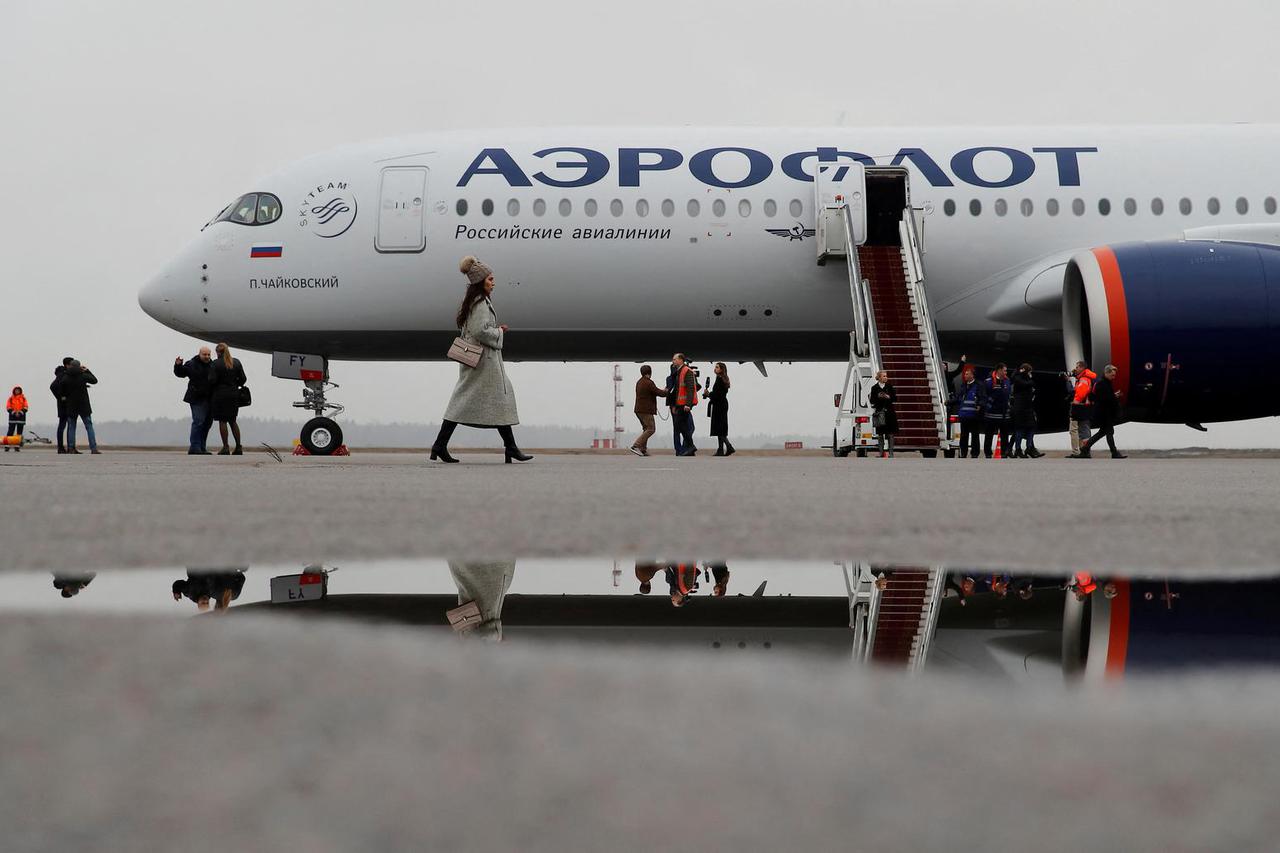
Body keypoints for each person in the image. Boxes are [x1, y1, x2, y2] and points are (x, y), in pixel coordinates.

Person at [431, 256, 532, 464]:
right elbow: (479, 330)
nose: (494, 283)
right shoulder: (480, 303)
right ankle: (510, 448)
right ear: (481, 282)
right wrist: (499, 332)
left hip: (480, 361)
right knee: (490, 399)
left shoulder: (476, 301)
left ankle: (440, 446)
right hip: (483, 361)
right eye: (490, 279)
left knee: (490, 401)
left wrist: (495, 329)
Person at [1074, 364, 1127, 458]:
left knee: (1102, 432)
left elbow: (1100, 397)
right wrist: (1114, 396)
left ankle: (1085, 448)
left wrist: (1113, 396)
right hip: (1104, 413)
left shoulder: (1105, 383)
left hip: (1105, 413)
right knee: (1109, 432)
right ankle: (1114, 453)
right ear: (1106, 373)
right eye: (1112, 375)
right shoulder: (1102, 384)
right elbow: (1103, 399)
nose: (1113, 377)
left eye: (1114, 375)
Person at [174, 347, 216, 455]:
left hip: (210, 399)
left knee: (207, 424)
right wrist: (178, 365)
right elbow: (181, 373)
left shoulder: (213, 365)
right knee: (198, 421)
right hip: (197, 398)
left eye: (208, 355)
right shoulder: (192, 364)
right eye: (204, 354)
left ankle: (202, 447)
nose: (207, 357)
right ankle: (194, 446)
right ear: (199, 354)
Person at [210, 342, 247, 455]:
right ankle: (239, 446)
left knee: (222, 421)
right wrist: (234, 383)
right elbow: (243, 379)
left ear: (218, 352)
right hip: (233, 394)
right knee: (233, 421)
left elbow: (212, 380)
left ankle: (226, 447)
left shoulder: (215, 364)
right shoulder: (236, 362)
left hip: (220, 395)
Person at [58, 360, 99, 455]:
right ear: (79, 366)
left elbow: (61, 389)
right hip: (84, 404)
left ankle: (71, 448)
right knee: (89, 426)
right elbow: (94, 380)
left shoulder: (66, 377)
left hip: (71, 405)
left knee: (72, 427)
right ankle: (93, 448)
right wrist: (87, 370)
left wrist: (64, 398)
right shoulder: (83, 375)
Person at [629, 365, 667, 457]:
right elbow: (659, 392)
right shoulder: (649, 383)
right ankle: (635, 446)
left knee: (646, 429)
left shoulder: (639, 382)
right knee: (651, 429)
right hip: (646, 410)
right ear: (650, 372)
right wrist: (666, 391)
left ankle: (643, 450)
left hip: (638, 410)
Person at [1009, 363, 1043, 458]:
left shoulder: (1025, 379)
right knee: (1020, 429)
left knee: (1032, 426)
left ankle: (1029, 447)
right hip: (1019, 408)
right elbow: (1027, 384)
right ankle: (1018, 449)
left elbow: (1032, 386)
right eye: (1029, 372)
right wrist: (1030, 380)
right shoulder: (1017, 378)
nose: (1030, 374)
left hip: (1028, 407)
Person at [668, 353, 699, 457]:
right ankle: (690, 447)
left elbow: (690, 388)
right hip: (680, 404)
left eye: (674, 359)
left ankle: (690, 446)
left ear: (681, 360)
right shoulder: (679, 371)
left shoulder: (687, 371)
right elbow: (678, 390)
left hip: (685, 404)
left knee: (680, 424)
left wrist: (688, 404)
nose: (673, 361)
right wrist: (675, 405)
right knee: (682, 425)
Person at [953, 366, 985, 458]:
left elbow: (983, 398)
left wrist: (980, 404)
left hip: (974, 416)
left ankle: (974, 454)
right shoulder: (964, 385)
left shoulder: (979, 385)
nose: (965, 375)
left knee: (975, 435)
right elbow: (959, 398)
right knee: (963, 436)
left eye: (967, 374)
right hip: (964, 416)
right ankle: (963, 453)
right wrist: (949, 402)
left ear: (972, 375)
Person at [982, 363, 1012, 459]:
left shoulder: (1007, 381)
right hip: (991, 414)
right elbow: (984, 396)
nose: (1005, 372)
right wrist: (988, 406)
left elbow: (1008, 395)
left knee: (1004, 435)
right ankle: (988, 453)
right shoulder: (988, 381)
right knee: (989, 435)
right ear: (999, 370)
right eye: (1004, 370)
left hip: (1004, 414)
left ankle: (1004, 453)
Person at [705, 362, 735, 456]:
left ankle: (728, 447)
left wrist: (708, 394)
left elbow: (717, 395)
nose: (715, 368)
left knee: (720, 428)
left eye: (717, 367)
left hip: (719, 405)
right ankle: (721, 449)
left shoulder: (720, 379)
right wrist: (710, 394)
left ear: (721, 369)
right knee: (720, 428)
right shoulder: (722, 379)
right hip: (722, 404)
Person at [1068, 361, 1096, 454]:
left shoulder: (1083, 379)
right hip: (1085, 407)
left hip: (1080, 408)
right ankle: (1084, 450)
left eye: (1077, 367)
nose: (1075, 369)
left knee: (1076, 430)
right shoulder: (1085, 378)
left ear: (1082, 368)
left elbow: (1079, 394)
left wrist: (1074, 405)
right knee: (1083, 430)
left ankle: (1080, 451)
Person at [869, 370, 898, 458]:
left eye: (886, 376)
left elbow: (895, 398)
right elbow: (872, 401)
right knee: (880, 434)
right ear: (879, 377)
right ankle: (881, 453)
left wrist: (888, 397)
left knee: (890, 433)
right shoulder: (874, 388)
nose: (886, 377)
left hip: (889, 412)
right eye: (884, 376)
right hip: (880, 412)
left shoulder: (889, 386)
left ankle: (891, 453)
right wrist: (878, 396)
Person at [50, 357, 72, 453]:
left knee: (67, 425)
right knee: (63, 425)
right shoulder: (63, 374)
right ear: (67, 365)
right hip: (64, 404)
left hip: (65, 403)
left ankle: (67, 447)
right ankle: (61, 447)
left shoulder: (63, 373)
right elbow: (53, 386)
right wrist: (61, 397)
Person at [5, 386, 28, 452]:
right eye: (16, 390)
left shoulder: (23, 398)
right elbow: (8, 407)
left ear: (20, 391)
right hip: (12, 418)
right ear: (14, 391)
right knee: (10, 432)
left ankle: (17, 446)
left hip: (21, 418)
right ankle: (7, 446)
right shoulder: (10, 398)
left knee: (19, 433)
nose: (17, 391)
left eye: (18, 390)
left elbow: (26, 407)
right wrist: (14, 413)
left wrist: (20, 413)